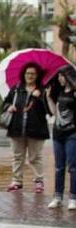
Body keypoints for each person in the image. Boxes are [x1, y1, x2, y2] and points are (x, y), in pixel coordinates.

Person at [1, 64, 49, 193]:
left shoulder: (43, 90)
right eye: (28, 73)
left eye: (33, 73)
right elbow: (5, 102)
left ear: (37, 75)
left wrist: (39, 97)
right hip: (16, 128)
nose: (30, 76)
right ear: (24, 74)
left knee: (35, 157)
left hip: (36, 129)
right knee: (17, 157)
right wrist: (8, 107)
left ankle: (39, 181)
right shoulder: (17, 89)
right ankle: (17, 181)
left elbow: (48, 110)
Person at [45, 67, 76, 210]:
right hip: (58, 134)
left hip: (72, 134)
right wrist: (48, 97)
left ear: (67, 76)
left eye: (61, 76)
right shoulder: (60, 93)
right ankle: (57, 197)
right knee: (59, 167)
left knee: (73, 167)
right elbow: (54, 113)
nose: (59, 79)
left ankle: (73, 198)